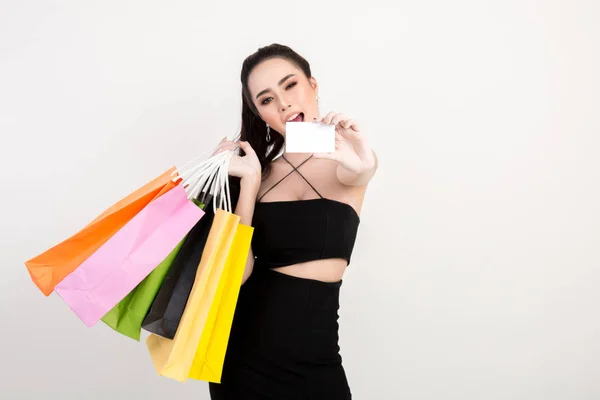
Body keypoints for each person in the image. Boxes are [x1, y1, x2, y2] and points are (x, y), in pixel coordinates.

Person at [208, 43, 378, 400]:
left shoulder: (350, 162)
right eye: (266, 99)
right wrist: (248, 183)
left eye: (290, 86)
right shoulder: (256, 174)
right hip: (243, 360)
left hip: (316, 364)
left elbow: (362, 170)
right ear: (259, 113)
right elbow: (235, 275)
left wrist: (355, 153)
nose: (283, 103)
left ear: (313, 85)